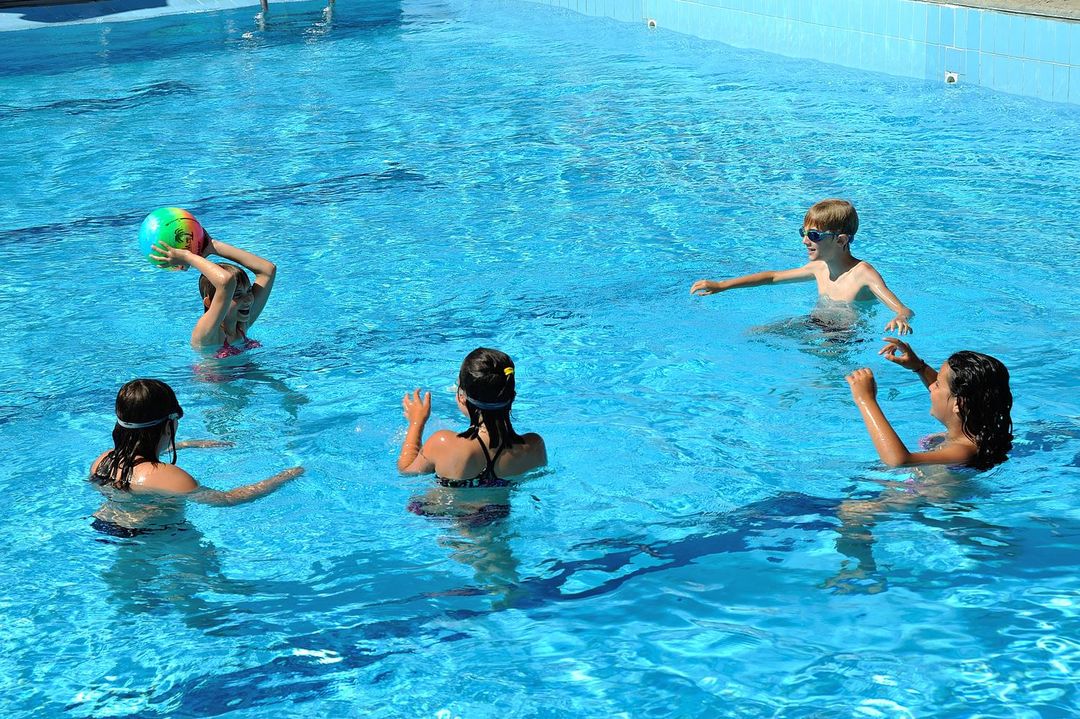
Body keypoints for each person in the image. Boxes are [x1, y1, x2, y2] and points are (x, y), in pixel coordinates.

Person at [90, 379, 303, 536]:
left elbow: (138, 459)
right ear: (170, 424)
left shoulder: (102, 461)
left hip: (105, 526)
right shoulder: (170, 477)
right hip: (156, 537)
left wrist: (187, 444)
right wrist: (286, 476)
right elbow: (227, 500)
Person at [690, 199, 915, 334]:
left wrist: (900, 318)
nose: (805, 241)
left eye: (814, 235)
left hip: (844, 336)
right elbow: (772, 277)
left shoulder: (863, 274)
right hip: (813, 323)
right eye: (803, 233)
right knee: (755, 334)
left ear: (841, 240)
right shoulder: (820, 267)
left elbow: (903, 309)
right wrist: (722, 285)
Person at [846, 338, 1013, 468]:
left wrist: (865, 400)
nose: (931, 386)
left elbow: (899, 460)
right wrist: (919, 367)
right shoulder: (977, 429)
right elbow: (952, 394)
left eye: (938, 384)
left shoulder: (964, 450)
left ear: (959, 404)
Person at [397, 348, 546, 492]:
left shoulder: (443, 443)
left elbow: (406, 471)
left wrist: (416, 422)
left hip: (439, 509)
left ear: (462, 397)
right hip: (497, 509)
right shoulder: (534, 447)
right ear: (512, 397)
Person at [149, 225, 276, 357]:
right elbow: (226, 282)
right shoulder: (207, 334)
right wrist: (187, 256)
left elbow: (268, 270)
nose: (249, 299)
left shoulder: (241, 325)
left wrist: (212, 246)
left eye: (249, 291)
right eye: (237, 295)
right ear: (209, 302)